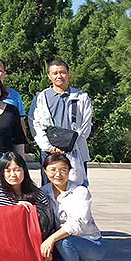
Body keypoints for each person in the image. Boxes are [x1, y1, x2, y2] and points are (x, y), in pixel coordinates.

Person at [40, 153, 104, 261]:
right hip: (58, 244)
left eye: (63, 170)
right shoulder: (44, 192)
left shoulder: (80, 192)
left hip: (90, 243)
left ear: (69, 171)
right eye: (53, 170)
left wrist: (51, 239)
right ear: (45, 171)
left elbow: (77, 224)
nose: (58, 174)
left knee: (64, 242)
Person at [29, 59, 93, 187]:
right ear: (49, 76)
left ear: (69, 74)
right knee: (49, 190)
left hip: (76, 150)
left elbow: (86, 125)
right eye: (55, 73)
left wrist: (71, 145)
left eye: (62, 72)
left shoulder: (81, 97)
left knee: (78, 189)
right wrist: (49, 147)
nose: (59, 76)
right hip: (50, 152)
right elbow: (35, 124)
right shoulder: (41, 98)